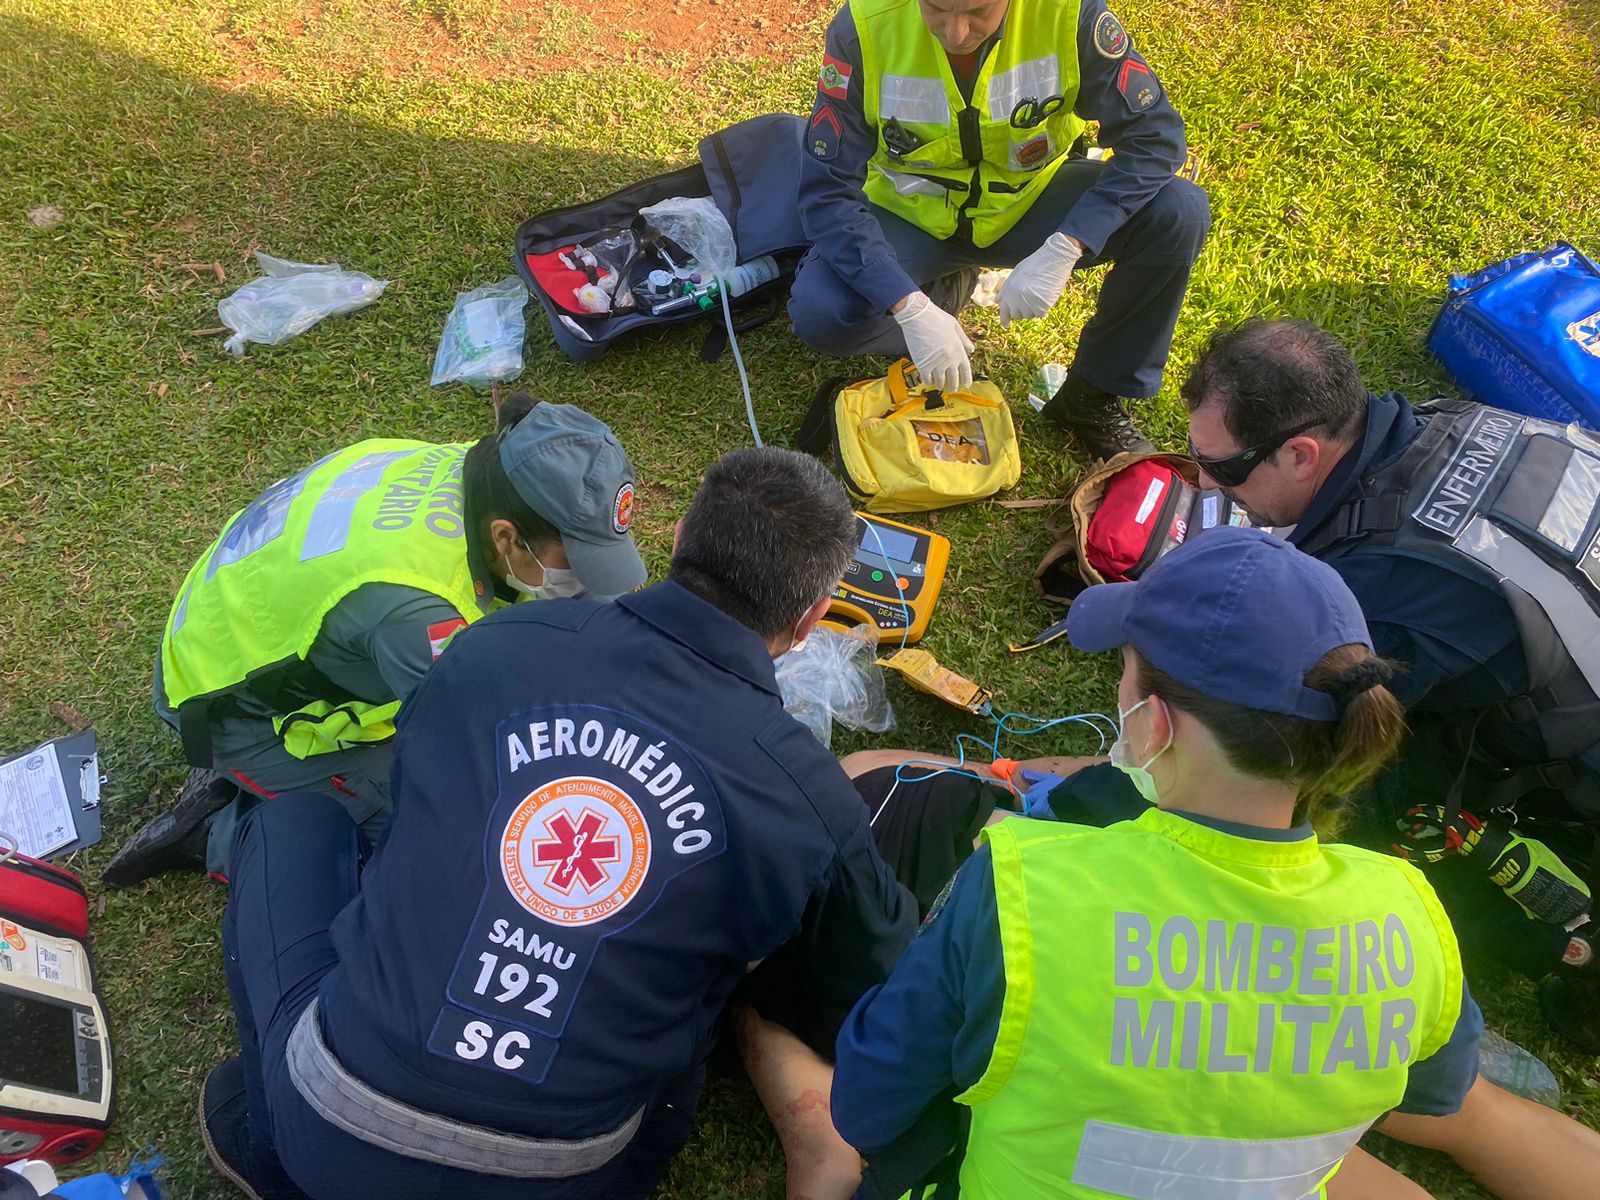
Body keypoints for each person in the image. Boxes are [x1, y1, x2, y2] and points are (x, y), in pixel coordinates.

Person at [201, 447, 918, 1200]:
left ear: (677, 542)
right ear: (808, 622)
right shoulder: (804, 792)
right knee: (693, 1014)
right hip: (572, 1176)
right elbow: (872, 982)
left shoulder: (499, 646)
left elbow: (415, 822)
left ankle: (271, 1151)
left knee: (293, 822)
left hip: (335, 1130)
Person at [826, 527, 1490, 1198]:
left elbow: (867, 1106)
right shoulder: (1409, 914)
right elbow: (1438, 1092)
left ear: (1156, 723)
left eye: (1124, 670)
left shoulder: (1020, 888)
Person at [1182, 317, 1600, 1045]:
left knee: (1369, 792)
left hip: (1575, 757)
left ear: (1301, 453)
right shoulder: (1455, 422)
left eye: (1221, 469)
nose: (1202, 481)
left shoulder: (1389, 579)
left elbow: (1299, 731)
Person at [103, 395, 647, 887]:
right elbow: (476, 749)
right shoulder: (419, 611)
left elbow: (585, 616)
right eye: (573, 561)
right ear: (506, 537)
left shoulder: (481, 471)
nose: (581, 579)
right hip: (227, 701)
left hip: (246, 617)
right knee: (426, 833)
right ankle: (220, 832)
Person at [792, 0, 1211, 459]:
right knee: (822, 311)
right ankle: (939, 294)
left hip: (1031, 202)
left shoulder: (1069, 13)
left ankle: (1092, 398)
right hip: (911, 215)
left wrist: (1068, 243)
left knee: (1179, 212)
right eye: (936, 9)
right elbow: (828, 190)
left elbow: (1155, 138)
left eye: (977, 10)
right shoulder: (865, 26)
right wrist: (907, 305)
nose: (955, 32)